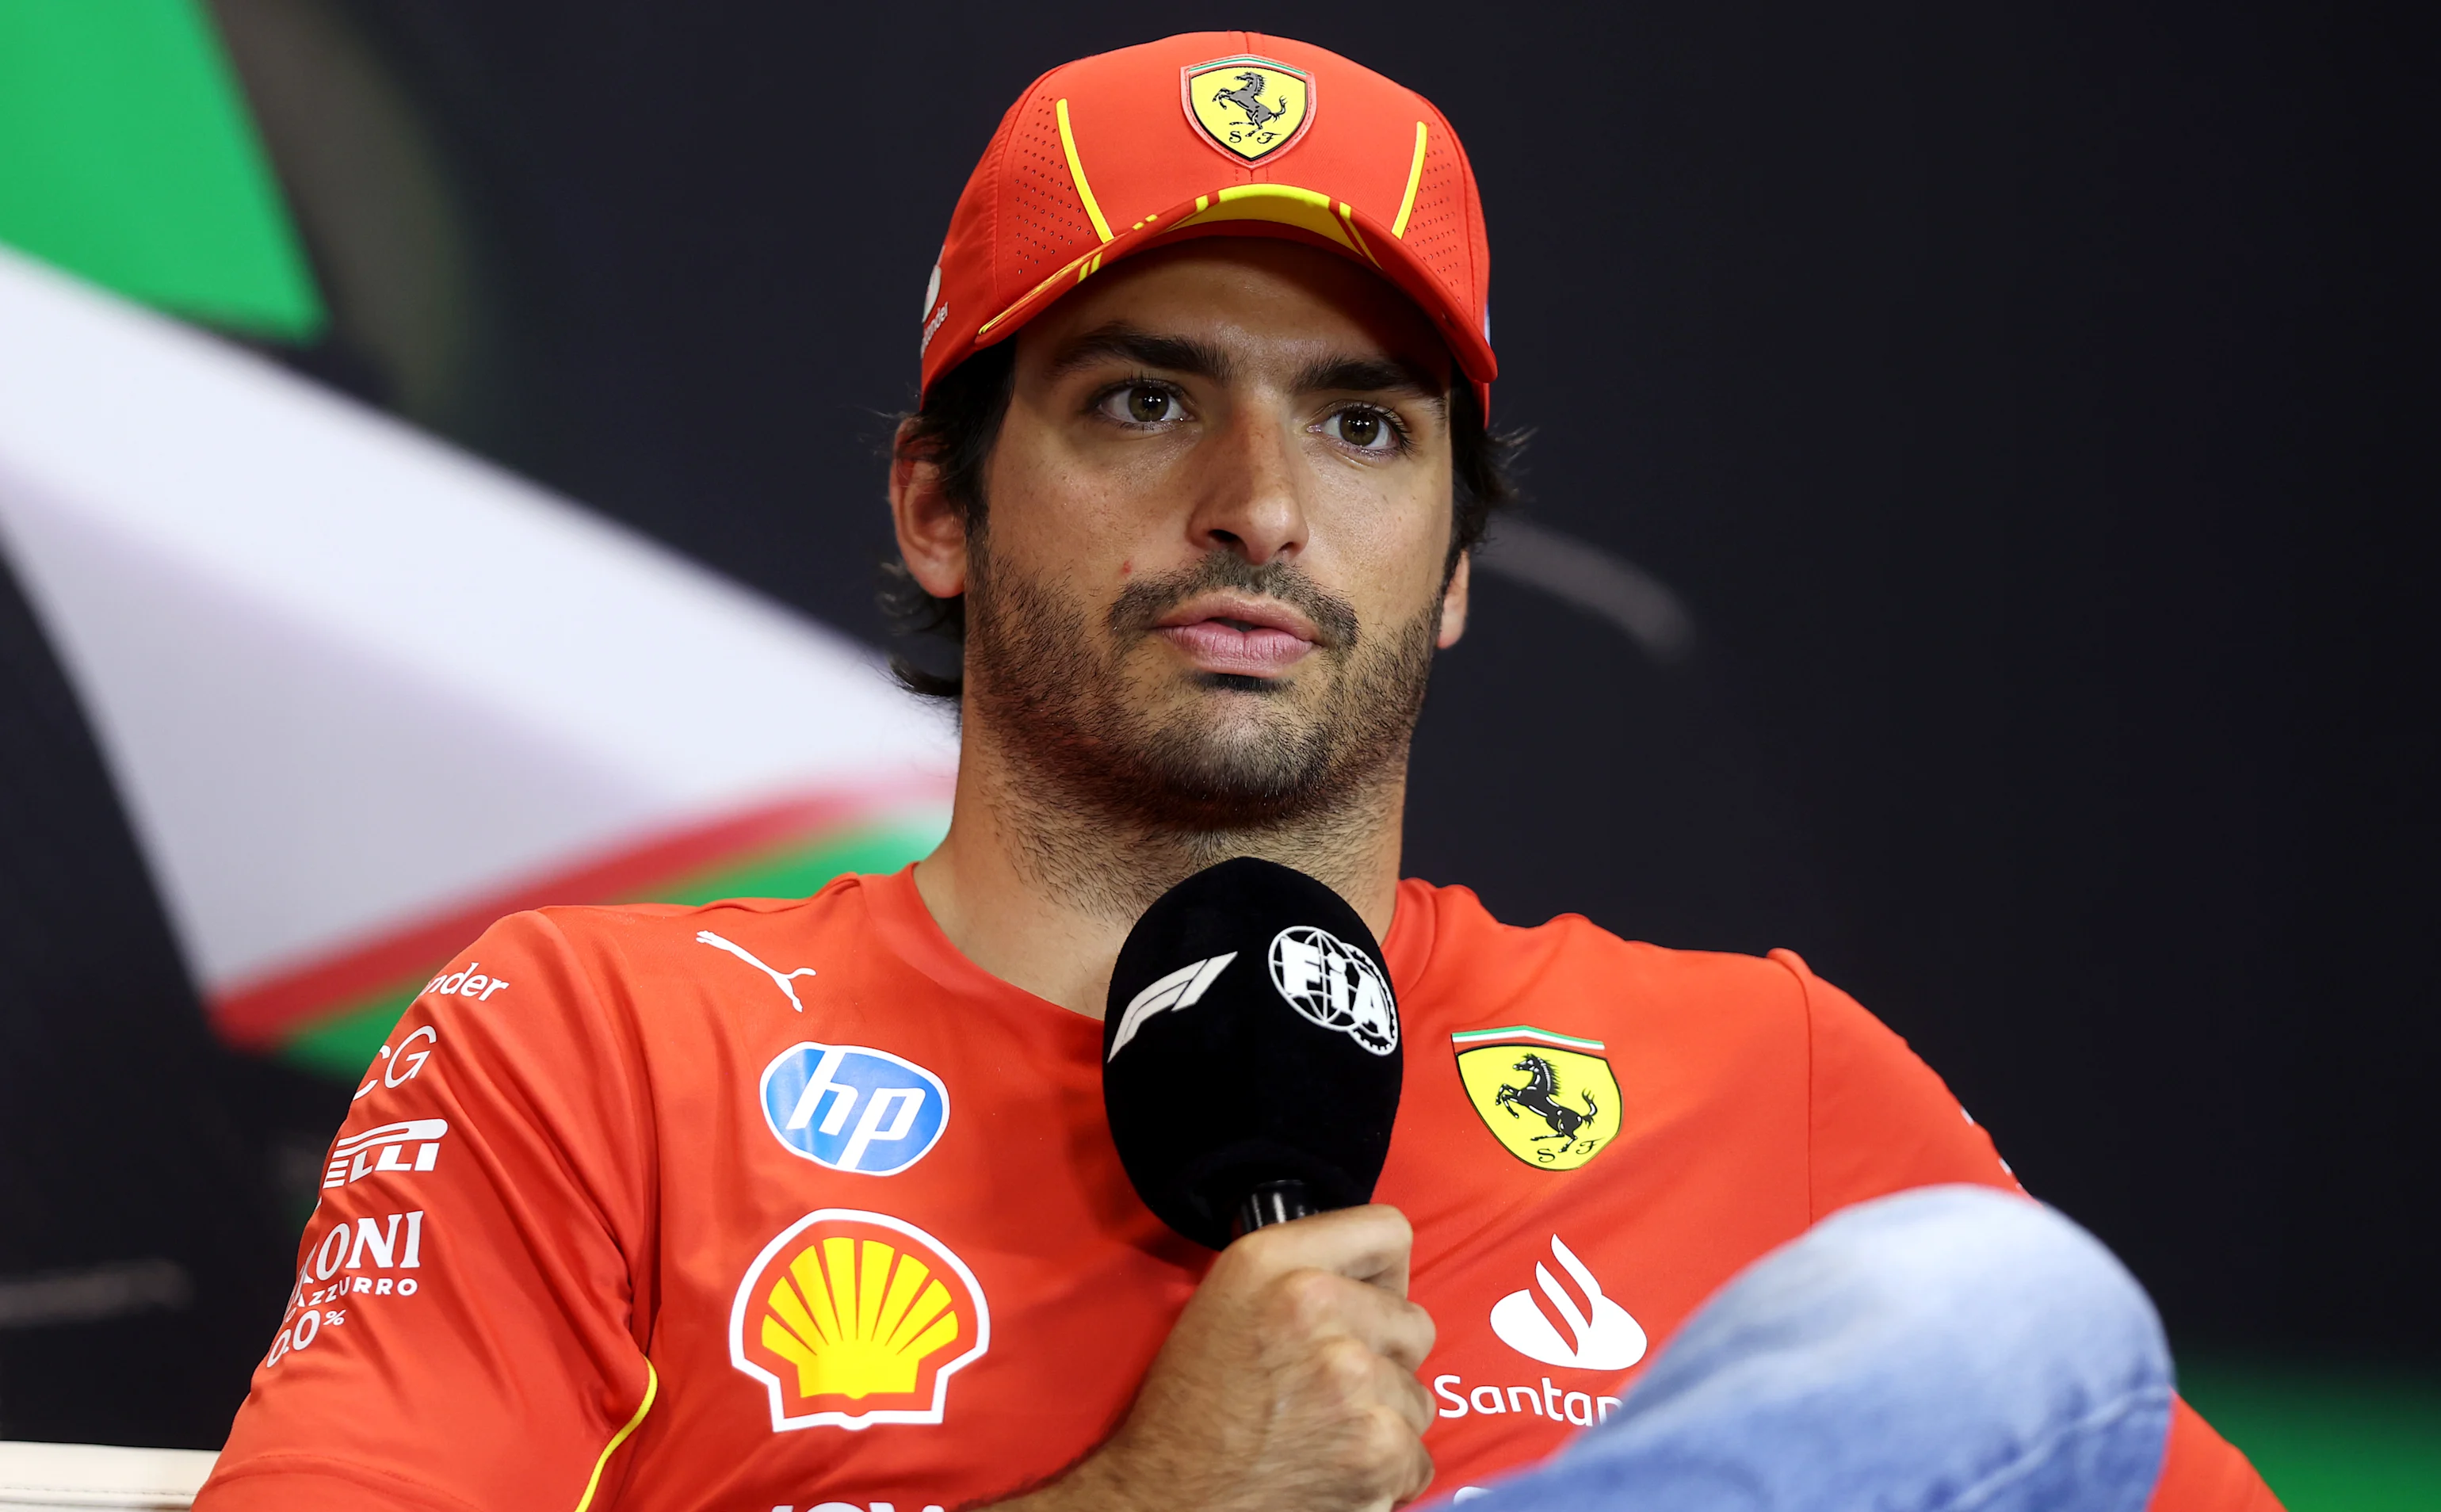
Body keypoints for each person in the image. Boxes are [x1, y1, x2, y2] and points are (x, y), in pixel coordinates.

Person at [193, 32, 2282, 1512]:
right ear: (939, 503)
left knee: (1998, 1326)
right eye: (1140, 400)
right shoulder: (590, 1044)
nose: (1260, 503)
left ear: (1455, 564)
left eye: (1366, 426)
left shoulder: (1773, 1082)